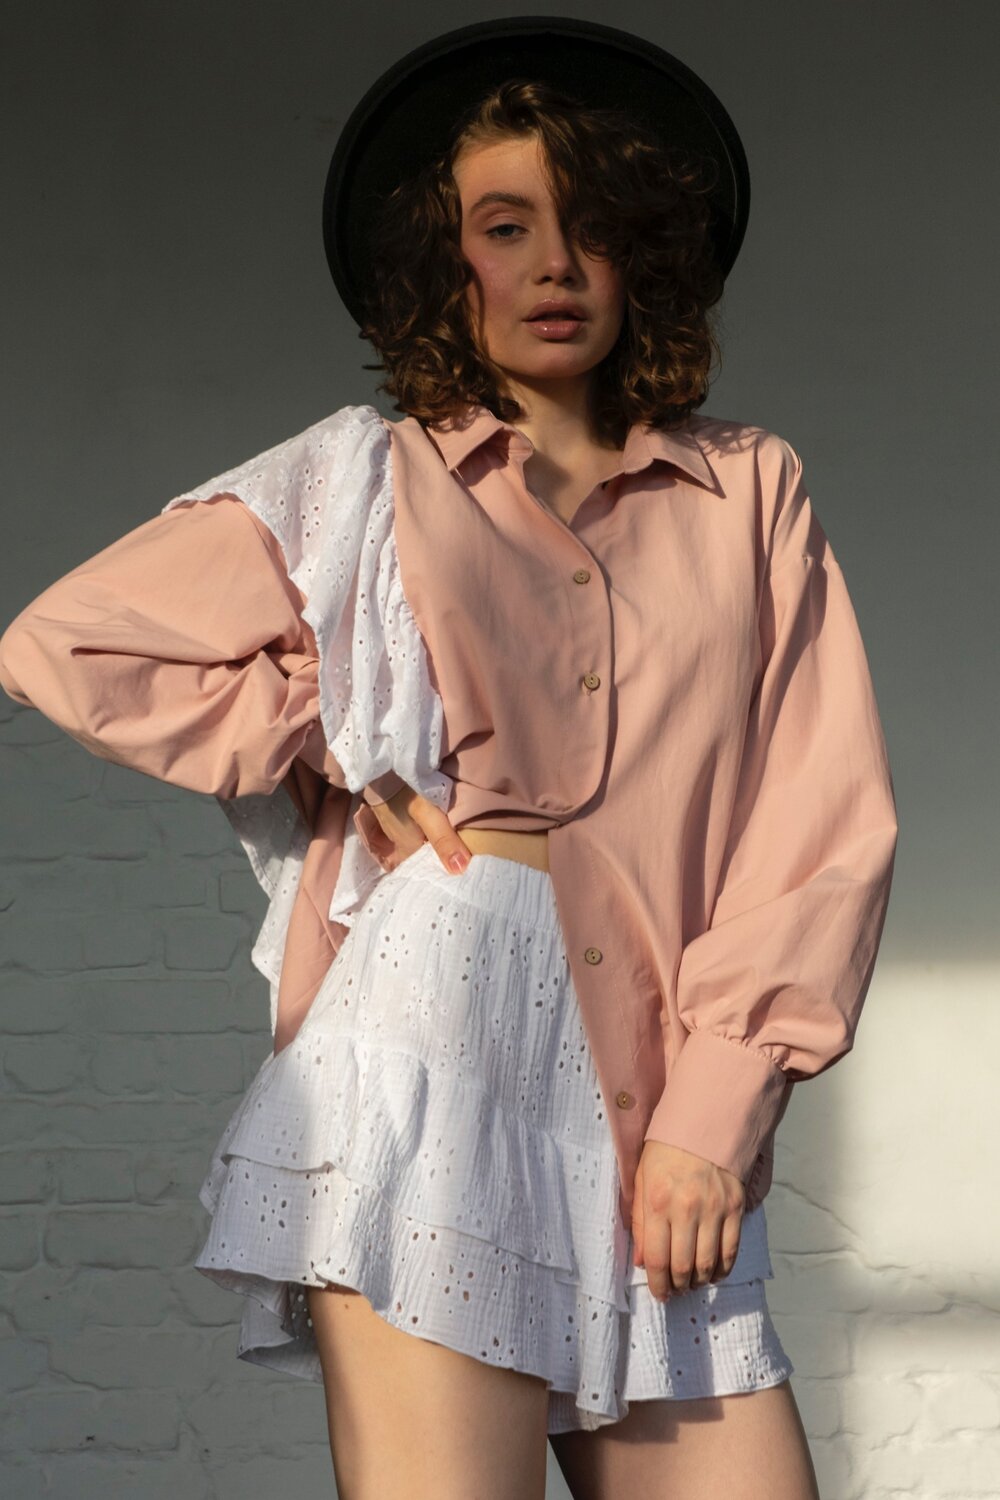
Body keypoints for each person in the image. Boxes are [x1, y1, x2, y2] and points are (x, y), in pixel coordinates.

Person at [0, 18, 898, 1500]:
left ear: (642, 256)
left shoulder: (749, 490)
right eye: (505, 227)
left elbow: (820, 829)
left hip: (660, 1071)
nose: (556, 265)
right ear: (445, 259)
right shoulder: (364, 479)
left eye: (593, 228)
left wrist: (717, 1113)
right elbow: (67, 643)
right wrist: (334, 743)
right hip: (432, 1053)